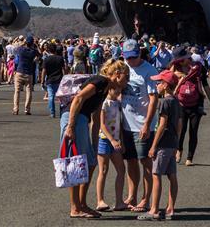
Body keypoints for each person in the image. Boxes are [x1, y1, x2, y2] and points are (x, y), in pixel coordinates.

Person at [62, 59, 130, 219]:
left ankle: (82, 204)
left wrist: (94, 143)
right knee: (75, 162)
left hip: (82, 120)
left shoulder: (105, 88)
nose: (127, 81)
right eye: (126, 77)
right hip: (74, 118)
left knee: (90, 162)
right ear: (117, 74)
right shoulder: (100, 81)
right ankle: (75, 207)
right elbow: (78, 98)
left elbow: (96, 117)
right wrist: (70, 126)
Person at [137, 69, 182, 221]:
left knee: (156, 175)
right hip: (172, 142)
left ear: (165, 84)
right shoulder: (176, 101)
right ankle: (171, 208)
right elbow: (179, 124)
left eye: (159, 82)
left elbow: (162, 125)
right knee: (172, 176)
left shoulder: (164, 102)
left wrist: (153, 146)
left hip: (163, 144)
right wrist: (177, 143)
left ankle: (154, 210)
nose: (156, 85)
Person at [120, 38, 159, 213]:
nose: (130, 61)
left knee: (146, 163)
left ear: (139, 53)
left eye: (133, 57)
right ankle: (132, 195)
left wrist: (147, 124)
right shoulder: (123, 67)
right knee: (131, 162)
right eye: (127, 58)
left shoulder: (149, 70)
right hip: (126, 124)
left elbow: (153, 99)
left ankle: (145, 198)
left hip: (142, 124)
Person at [170, 46, 210, 166]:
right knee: (181, 130)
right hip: (181, 104)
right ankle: (179, 150)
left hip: (196, 104)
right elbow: (168, 84)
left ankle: (190, 157)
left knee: (193, 131)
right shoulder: (175, 68)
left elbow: (205, 85)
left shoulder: (198, 68)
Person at [95, 81, 126, 213]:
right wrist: (112, 140)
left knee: (121, 169)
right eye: (116, 89)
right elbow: (102, 125)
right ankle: (100, 200)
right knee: (103, 170)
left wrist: (121, 141)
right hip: (104, 139)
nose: (118, 92)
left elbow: (120, 123)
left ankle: (119, 201)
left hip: (116, 140)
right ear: (109, 89)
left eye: (120, 89)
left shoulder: (118, 103)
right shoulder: (104, 104)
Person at [13, 35, 38, 115]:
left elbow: (16, 47)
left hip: (19, 71)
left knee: (17, 91)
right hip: (28, 73)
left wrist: (23, 43)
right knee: (28, 91)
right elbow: (39, 54)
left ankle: (16, 109)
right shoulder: (33, 51)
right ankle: (27, 109)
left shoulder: (21, 49)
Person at [41, 42, 66, 118]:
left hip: (50, 80)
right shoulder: (60, 58)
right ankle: (62, 112)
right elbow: (64, 69)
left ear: (48, 50)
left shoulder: (46, 59)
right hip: (59, 80)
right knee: (61, 97)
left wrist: (42, 81)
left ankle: (52, 112)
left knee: (51, 97)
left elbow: (44, 71)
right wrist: (65, 77)